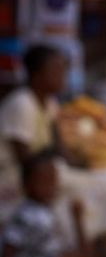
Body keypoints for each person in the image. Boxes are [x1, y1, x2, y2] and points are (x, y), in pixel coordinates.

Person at [0, 44, 67, 224]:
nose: (63, 76)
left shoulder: (50, 104)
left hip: (36, 171)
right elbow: (25, 159)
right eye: (56, 70)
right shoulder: (22, 103)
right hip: (12, 176)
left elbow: (59, 145)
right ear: (37, 75)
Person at [1, 150, 85, 257]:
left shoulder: (47, 212)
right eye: (44, 182)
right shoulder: (25, 215)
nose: (51, 187)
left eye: (53, 181)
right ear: (27, 185)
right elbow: (9, 250)